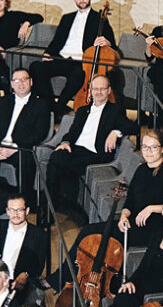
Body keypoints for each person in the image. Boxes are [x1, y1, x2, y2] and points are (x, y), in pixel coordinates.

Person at [44, 69, 125, 214]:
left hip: (95, 154)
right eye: (95, 89)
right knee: (56, 156)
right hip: (75, 149)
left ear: (109, 91)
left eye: (102, 89)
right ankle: (51, 206)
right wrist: (66, 142)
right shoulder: (82, 110)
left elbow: (132, 127)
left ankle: (52, 207)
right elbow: (72, 132)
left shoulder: (115, 110)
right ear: (90, 91)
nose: (98, 92)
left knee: (59, 165)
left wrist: (115, 132)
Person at [36, 0, 116, 108]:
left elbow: (113, 45)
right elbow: (56, 41)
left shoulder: (99, 19)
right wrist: (48, 53)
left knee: (78, 75)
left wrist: (107, 42)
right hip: (61, 58)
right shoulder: (66, 18)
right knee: (36, 67)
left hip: (81, 62)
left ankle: (59, 107)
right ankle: (49, 105)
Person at [0, 66, 53, 190]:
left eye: (24, 79)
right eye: (16, 80)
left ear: (31, 82)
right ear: (12, 84)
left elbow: (39, 134)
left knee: (25, 158)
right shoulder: (3, 101)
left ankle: (23, 198)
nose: (21, 83)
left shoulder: (41, 105)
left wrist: (14, 147)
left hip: (19, 148)